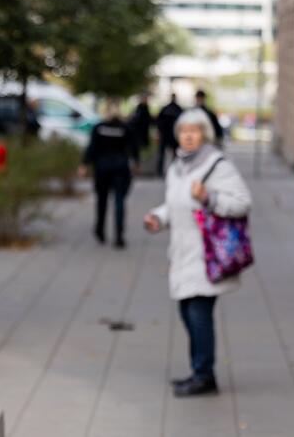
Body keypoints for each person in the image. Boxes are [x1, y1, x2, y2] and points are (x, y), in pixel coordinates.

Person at [143, 108, 251, 397]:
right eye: (183, 131)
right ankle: (200, 371)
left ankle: (204, 375)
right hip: (182, 252)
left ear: (205, 134)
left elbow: (242, 202)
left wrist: (209, 197)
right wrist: (158, 217)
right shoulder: (177, 167)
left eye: (194, 131)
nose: (188, 136)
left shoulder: (217, 166)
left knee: (198, 314)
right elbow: (175, 204)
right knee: (187, 313)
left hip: (207, 254)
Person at [79, 100, 139, 248]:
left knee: (102, 201)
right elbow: (133, 148)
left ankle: (100, 230)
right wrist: (136, 163)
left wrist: (84, 164)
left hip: (102, 168)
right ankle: (119, 235)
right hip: (120, 167)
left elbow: (92, 148)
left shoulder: (99, 128)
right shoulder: (125, 128)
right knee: (119, 201)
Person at [156, 93, 182, 177]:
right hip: (170, 135)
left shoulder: (167, 109)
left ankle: (161, 171)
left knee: (166, 154)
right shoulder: (178, 109)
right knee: (171, 154)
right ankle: (172, 171)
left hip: (169, 135)